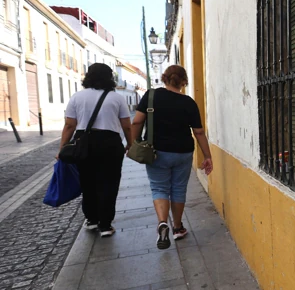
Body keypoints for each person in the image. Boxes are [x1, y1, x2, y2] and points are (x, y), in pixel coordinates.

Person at [132, 65, 213, 250]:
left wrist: (132, 143)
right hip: (183, 152)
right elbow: (199, 132)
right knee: (178, 188)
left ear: (164, 78)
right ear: (184, 82)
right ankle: (177, 227)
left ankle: (162, 223)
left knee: (159, 187)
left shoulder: (151, 96)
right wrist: (207, 156)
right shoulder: (189, 102)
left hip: (156, 151)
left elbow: (137, 121)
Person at [60, 63, 133, 237]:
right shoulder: (116, 98)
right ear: (110, 78)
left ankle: (92, 219)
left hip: (84, 142)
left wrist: (62, 148)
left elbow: (70, 125)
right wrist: (130, 144)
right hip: (110, 143)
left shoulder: (77, 97)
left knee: (87, 181)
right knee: (110, 182)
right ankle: (106, 224)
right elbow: (126, 126)